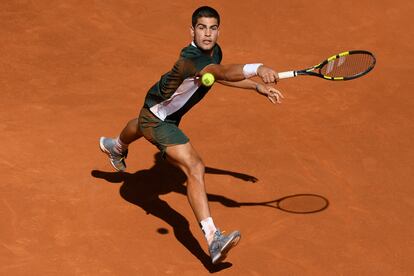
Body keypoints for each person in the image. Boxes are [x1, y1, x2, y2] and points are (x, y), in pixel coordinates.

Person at [99, 6, 283, 264]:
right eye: (201, 28)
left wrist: (256, 87)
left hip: (157, 110)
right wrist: (258, 67)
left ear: (218, 31)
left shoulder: (213, 52)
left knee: (141, 122)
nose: (207, 34)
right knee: (194, 166)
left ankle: (115, 146)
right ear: (191, 31)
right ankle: (213, 239)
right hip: (159, 119)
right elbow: (222, 72)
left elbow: (218, 76)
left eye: (212, 28)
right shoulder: (190, 58)